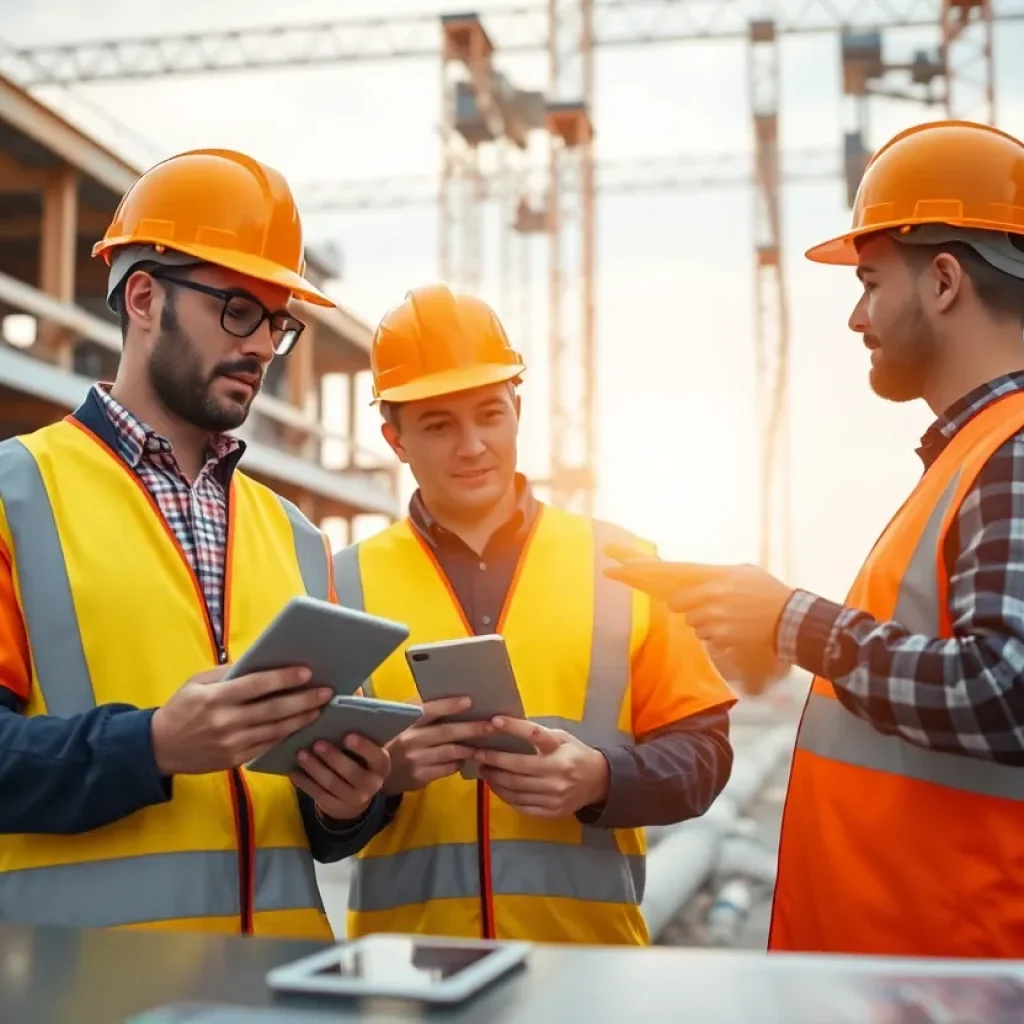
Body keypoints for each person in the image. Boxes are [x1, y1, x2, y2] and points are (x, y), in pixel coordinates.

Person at [641, 120, 1024, 957]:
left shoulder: (1011, 451)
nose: (857, 316)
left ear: (946, 280)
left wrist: (792, 622)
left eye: (870, 280)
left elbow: (1007, 691)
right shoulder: (972, 456)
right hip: (915, 968)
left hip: (960, 976)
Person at [0, 148, 390, 939]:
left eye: (276, 324)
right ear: (143, 297)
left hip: (281, 989)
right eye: (238, 310)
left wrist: (350, 803)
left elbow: (315, 818)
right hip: (82, 990)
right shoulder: (14, 497)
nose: (259, 347)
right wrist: (150, 745)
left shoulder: (298, 538)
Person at [331, 283, 737, 945]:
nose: (472, 445)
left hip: (589, 972)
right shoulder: (340, 582)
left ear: (517, 410)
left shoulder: (624, 563)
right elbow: (309, 805)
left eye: (490, 414)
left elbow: (705, 756)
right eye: (439, 424)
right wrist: (384, 777)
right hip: (408, 977)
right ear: (395, 439)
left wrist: (603, 778)